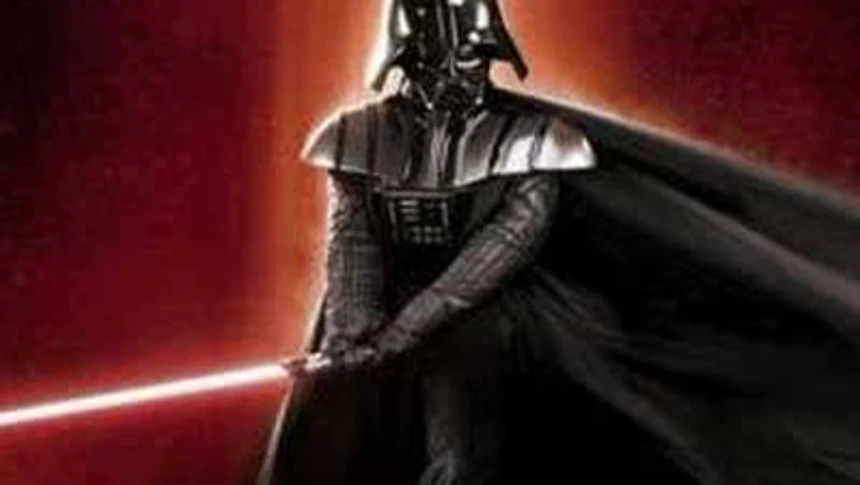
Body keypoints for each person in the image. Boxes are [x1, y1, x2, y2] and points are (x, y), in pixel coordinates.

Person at [259, 1, 860, 484]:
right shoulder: (359, 135)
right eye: (442, 59)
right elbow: (353, 242)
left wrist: (400, 335)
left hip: (486, 314)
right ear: (405, 58)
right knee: (329, 432)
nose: (462, 74)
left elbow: (501, 248)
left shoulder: (532, 140)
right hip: (391, 304)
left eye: (475, 57)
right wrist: (350, 332)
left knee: (463, 448)